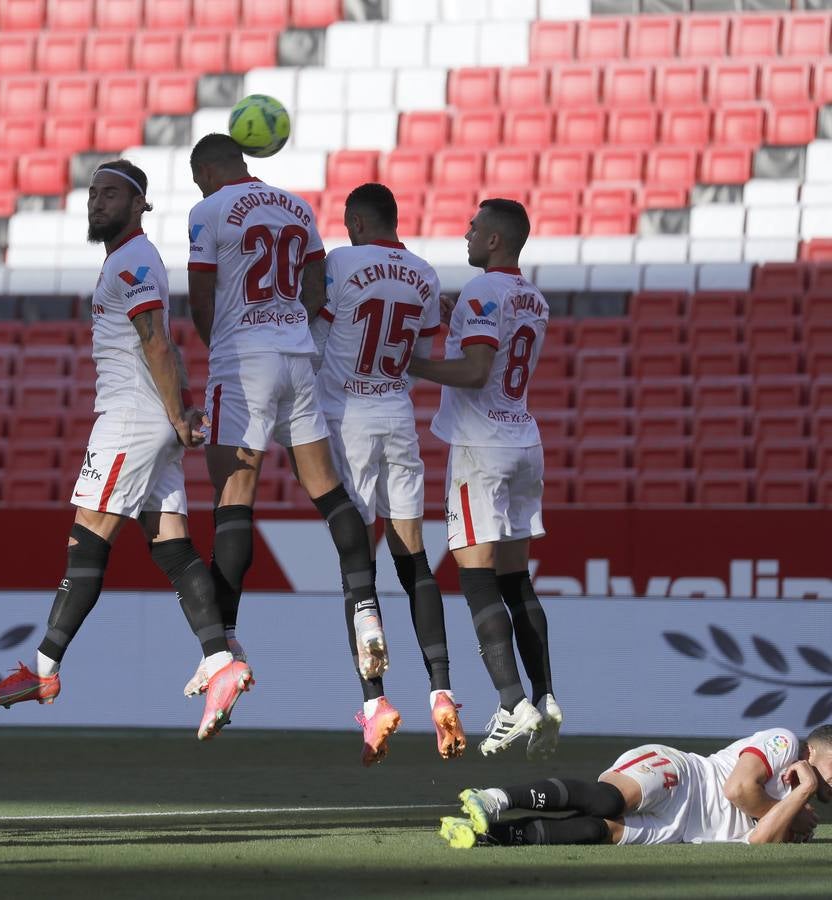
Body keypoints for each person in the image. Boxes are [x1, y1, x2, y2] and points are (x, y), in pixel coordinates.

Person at [0, 160, 251, 741]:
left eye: (112, 194)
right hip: (151, 421)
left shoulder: (133, 260)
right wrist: (183, 412)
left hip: (129, 421)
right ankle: (221, 660)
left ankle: (44, 670)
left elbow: (154, 341)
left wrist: (176, 415)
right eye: (94, 193)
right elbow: (165, 345)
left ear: (140, 204)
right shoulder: (130, 260)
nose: (98, 201)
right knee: (172, 548)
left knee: (87, 538)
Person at [182, 135, 390, 754]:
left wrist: (218, 344)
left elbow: (200, 293)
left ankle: (225, 649)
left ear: (207, 170)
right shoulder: (299, 207)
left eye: (199, 180)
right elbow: (318, 286)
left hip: (241, 360)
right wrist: (287, 323)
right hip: (297, 354)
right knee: (327, 491)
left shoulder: (209, 210)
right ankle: (368, 616)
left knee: (232, 499)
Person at [311, 182, 465, 763]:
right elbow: (420, 355)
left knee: (356, 559)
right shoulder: (425, 274)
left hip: (345, 417)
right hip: (397, 416)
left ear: (354, 221)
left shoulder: (339, 264)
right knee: (414, 560)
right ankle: (442, 689)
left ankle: (375, 702)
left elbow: (314, 336)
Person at [407, 199, 560, 760]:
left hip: (481, 447)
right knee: (516, 578)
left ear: (495, 240)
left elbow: (474, 372)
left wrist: (408, 363)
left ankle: (511, 703)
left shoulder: (480, 293)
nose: (466, 234)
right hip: (524, 438)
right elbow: (495, 352)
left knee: (476, 578)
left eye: (473, 228)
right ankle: (545, 698)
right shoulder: (532, 297)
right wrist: (458, 316)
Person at [439, 724, 832, 848]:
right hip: (685, 780)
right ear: (816, 749)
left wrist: (798, 797)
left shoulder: (803, 813)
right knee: (610, 800)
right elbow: (737, 789)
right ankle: (495, 799)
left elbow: (758, 845)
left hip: (680, 831)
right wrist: (789, 811)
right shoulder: (784, 743)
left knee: (596, 831)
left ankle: (492, 835)